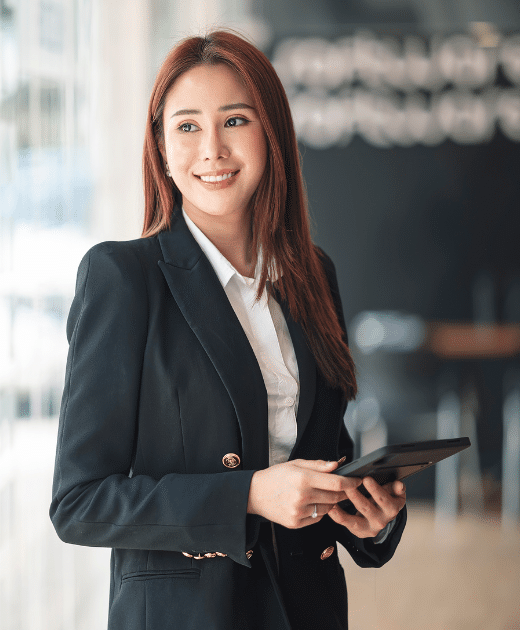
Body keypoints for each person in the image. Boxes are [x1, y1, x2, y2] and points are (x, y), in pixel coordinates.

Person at [49, 31, 407, 629]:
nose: (211, 149)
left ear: (271, 135)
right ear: (161, 149)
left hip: (306, 610)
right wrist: (246, 495)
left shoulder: (314, 275)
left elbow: (324, 452)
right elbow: (79, 503)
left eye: (234, 120)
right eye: (187, 126)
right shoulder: (123, 279)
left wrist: (371, 518)